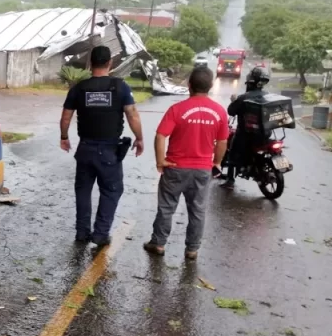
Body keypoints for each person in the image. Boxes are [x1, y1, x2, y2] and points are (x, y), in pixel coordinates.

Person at [60, 46, 144, 247]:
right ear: (110, 63)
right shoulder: (120, 87)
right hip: (109, 150)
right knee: (111, 190)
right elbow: (132, 114)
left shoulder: (79, 88)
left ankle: (82, 233)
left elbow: (65, 117)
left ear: (90, 63)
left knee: (83, 191)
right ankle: (100, 234)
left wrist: (64, 137)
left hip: (85, 149)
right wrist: (139, 138)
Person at [144, 67, 229, 261]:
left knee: (166, 208)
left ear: (189, 85)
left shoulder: (177, 109)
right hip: (202, 170)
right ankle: (192, 250)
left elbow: (161, 135)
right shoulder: (219, 112)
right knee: (198, 210)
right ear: (211, 85)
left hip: (175, 167)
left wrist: (160, 161)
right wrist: (216, 162)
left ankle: (158, 243)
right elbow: (223, 141)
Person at [220, 66, 271, 190]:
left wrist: (234, 100)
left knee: (232, 152)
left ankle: (230, 180)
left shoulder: (243, 98)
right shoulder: (268, 96)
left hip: (245, 135)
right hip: (265, 135)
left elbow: (231, 111)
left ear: (250, 82)